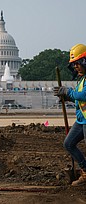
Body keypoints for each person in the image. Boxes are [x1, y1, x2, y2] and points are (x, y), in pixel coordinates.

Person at [54, 44, 86, 186]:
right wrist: (67, 98)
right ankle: (85, 170)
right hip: (81, 120)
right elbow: (78, 98)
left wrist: (68, 92)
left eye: (78, 63)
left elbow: (83, 95)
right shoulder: (82, 79)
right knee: (69, 143)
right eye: (74, 64)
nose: (75, 67)